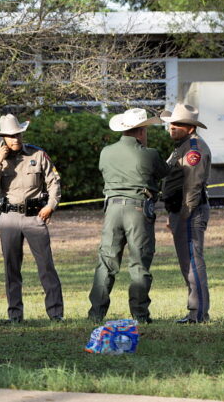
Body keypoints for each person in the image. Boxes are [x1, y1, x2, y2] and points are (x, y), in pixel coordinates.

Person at [88, 108, 168, 324]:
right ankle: (140, 314)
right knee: (139, 262)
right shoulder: (149, 154)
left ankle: (96, 313)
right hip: (138, 209)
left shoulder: (106, 152)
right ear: (141, 131)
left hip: (112, 209)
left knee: (106, 261)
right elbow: (164, 172)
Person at [0, 114, 63, 323]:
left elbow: (54, 182)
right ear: (3, 138)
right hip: (9, 218)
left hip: (35, 216)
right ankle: (15, 316)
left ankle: (56, 314)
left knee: (46, 266)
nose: (16, 139)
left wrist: (50, 206)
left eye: (18, 134)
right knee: (11, 268)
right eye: (11, 136)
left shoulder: (38, 154)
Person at [160, 103, 212, 324]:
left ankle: (198, 313)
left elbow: (193, 186)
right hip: (180, 210)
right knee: (187, 262)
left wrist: (184, 216)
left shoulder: (193, 149)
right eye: (171, 123)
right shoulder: (181, 146)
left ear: (190, 127)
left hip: (190, 211)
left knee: (192, 261)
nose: (172, 126)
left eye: (178, 123)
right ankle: (195, 312)